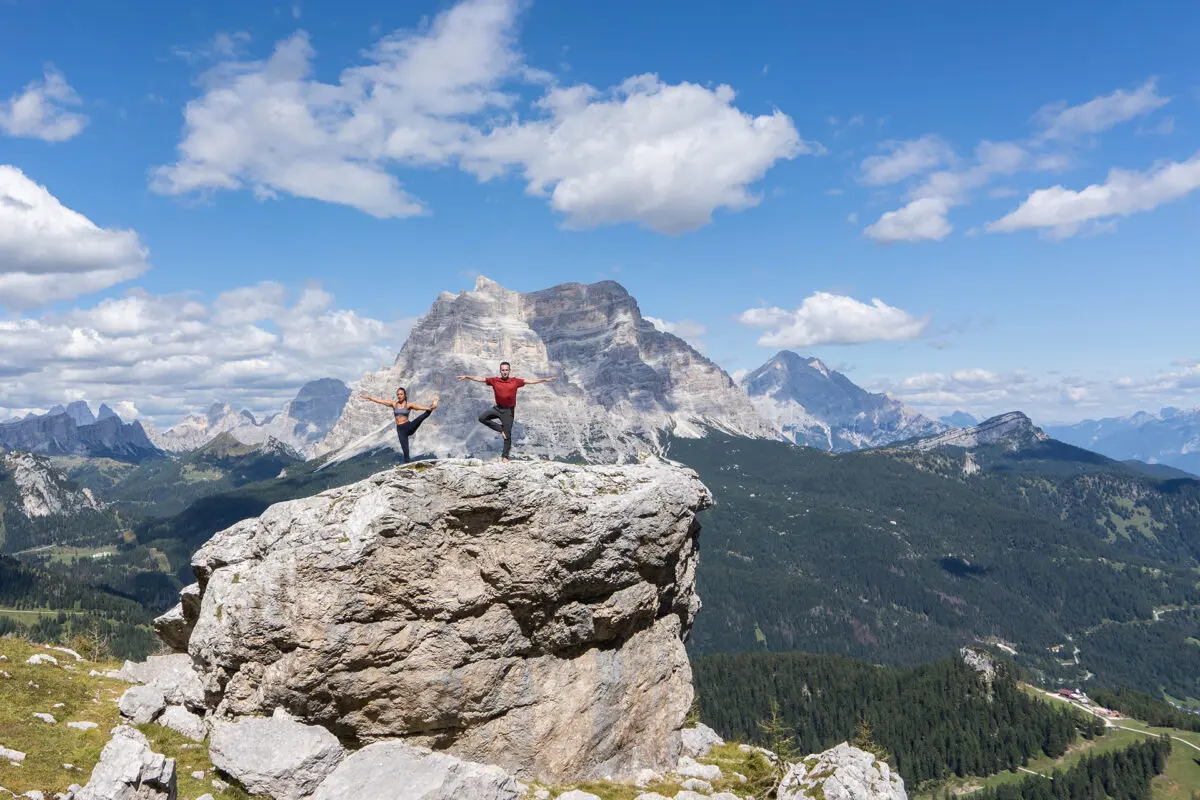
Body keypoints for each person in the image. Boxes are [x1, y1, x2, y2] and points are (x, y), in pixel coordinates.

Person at [457, 361, 555, 461]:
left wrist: (544, 380)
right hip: (497, 408)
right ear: (500, 371)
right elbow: (481, 379)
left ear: (509, 371)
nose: (505, 372)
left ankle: (505, 457)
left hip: (508, 412)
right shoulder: (495, 380)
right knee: (482, 418)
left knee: (507, 436)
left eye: (506, 370)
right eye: (503, 370)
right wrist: (467, 376)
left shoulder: (515, 381)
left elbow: (529, 381)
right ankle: (501, 429)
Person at [357, 387, 439, 464]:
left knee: (421, 417)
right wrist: (369, 398)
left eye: (401, 394)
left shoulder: (408, 405)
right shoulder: (393, 404)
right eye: (398, 394)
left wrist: (429, 408)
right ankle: (408, 471)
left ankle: (433, 404)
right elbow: (381, 401)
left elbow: (419, 407)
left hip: (409, 427)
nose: (399, 396)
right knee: (405, 452)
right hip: (400, 430)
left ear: (404, 395)